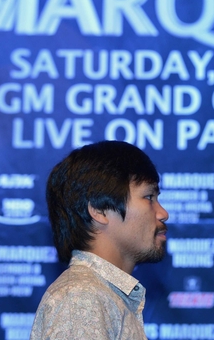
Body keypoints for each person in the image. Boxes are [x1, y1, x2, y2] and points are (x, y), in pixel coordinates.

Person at [31, 141, 169, 340]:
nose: (163, 213)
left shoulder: (100, 295)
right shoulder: (81, 298)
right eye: (149, 197)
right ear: (99, 210)